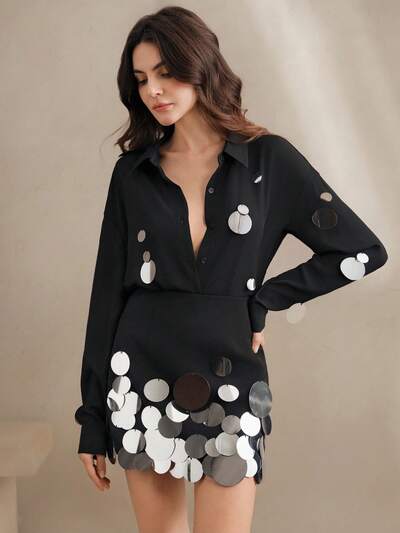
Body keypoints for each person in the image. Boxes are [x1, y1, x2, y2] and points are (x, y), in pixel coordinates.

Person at [74, 6, 388, 533]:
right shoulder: (133, 174)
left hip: (231, 378)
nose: (154, 90)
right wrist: (91, 417)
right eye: (142, 78)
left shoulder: (268, 160)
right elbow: (106, 295)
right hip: (140, 373)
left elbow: (362, 250)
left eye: (166, 73)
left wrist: (266, 300)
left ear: (200, 66)